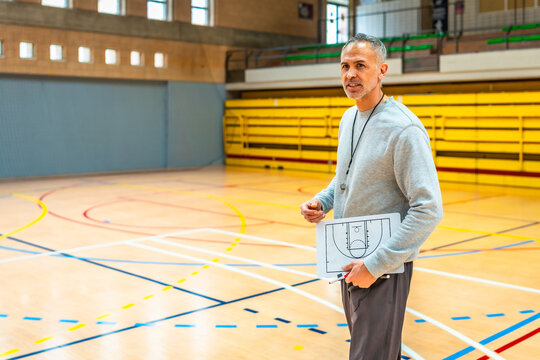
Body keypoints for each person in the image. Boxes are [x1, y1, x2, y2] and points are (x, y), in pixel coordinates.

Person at [300, 33, 443, 360]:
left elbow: (429, 208)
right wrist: (323, 200)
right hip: (348, 259)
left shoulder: (404, 129)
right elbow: (345, 176)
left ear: (382, 71)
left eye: (361, 66)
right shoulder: (350, 118)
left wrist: (376, 264)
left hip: (383, 267)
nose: (350, 74)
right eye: (345, 66)